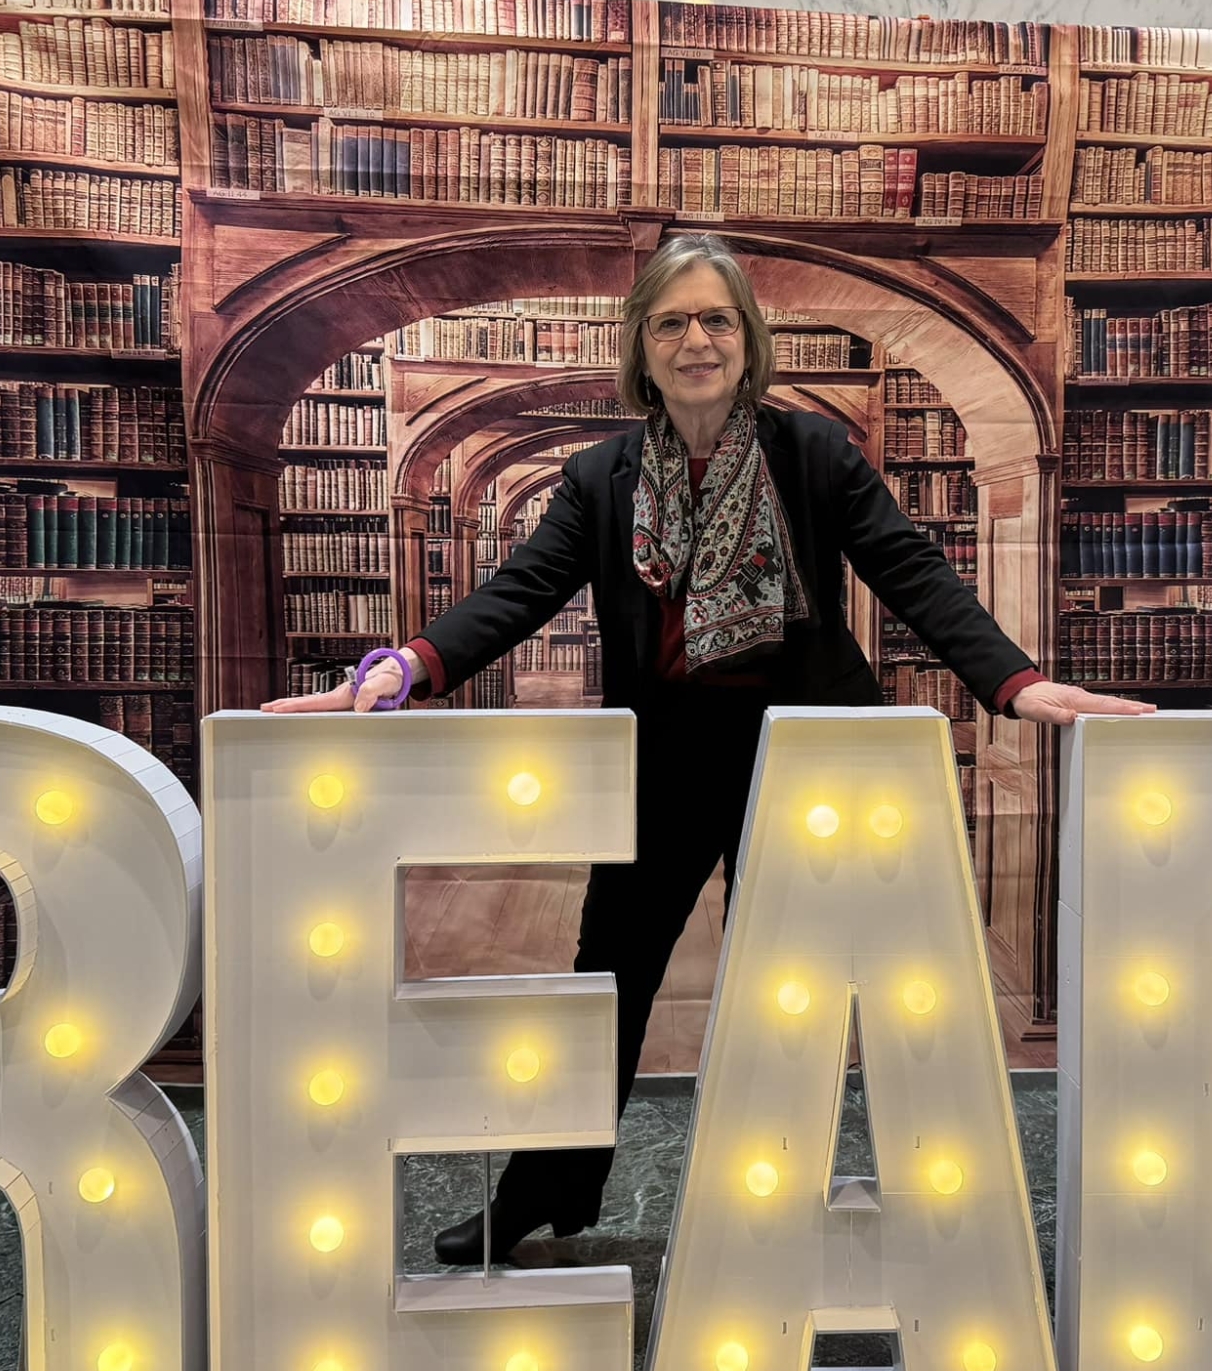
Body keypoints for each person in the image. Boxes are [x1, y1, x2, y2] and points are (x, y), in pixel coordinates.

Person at [261, 233, 1152, 1264]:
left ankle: (860, 1205)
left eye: (717, 319)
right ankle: (542, 1193)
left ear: (748, 338)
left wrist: (1016, 682)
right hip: (666, 760)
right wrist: (401, 669)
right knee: (607, 978)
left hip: (804, 760)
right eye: (673, 321)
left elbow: (911, 570)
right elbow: (517, 593)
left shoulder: (813, 455)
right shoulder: (599, 479)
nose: (697, 340)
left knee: (826, 984)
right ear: (642, 345)